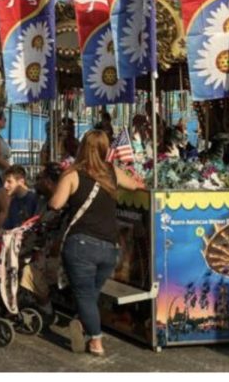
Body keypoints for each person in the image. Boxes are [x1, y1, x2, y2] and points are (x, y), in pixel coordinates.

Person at [48, 129, 144, 356]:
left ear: (82, 146)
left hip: (81, 245)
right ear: (105, 149)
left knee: (84, 295)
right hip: (110, 248)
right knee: (91, 294)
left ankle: (96, 340)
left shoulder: (72, 174)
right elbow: (136, 185)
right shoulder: (113, 171)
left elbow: (55, 204)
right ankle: (82, 323)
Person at [0, 165, 39, 233]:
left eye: (9, 181)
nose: (5, 186)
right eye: (4, 182)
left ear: (21, 182)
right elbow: (6, 229)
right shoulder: (13, 202)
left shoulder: (34, 200)